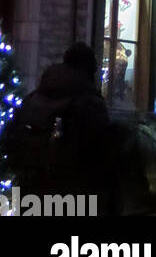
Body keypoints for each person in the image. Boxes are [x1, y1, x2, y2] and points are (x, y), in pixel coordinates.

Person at [1, 42, 115, 213]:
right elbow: (102, 154)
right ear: (90, 69)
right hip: (75, 196)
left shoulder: (33, 99)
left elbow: (12, 140)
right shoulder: (90, 104)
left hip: (31, 192)